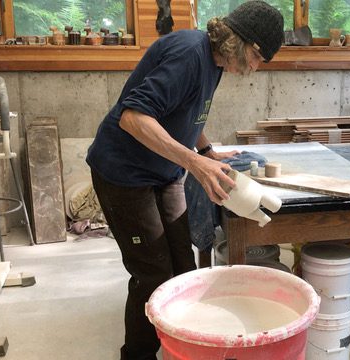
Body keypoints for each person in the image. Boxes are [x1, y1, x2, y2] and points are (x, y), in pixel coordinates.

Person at [85, 2, 284, 359]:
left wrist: (205, 151)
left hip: (164, 171)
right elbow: (133, 117)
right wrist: (193, 161)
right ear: (239, 40)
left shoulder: (219, 61)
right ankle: (138, 355)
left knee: (183, 268)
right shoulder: (189, 55)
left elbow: (188, 109)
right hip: (124, 172)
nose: (254, 68)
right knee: (152, 273)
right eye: (256, 56)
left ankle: (176, 346)